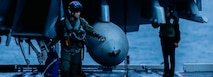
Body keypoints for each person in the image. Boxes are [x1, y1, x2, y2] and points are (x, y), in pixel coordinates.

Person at [49, 1, 106, 77]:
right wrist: (51, 44)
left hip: (77, 50)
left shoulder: (81, 21)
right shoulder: (63, 23)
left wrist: (98, 36)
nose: (78, 13)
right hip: (66, 50)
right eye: (76, 11)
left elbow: (89, 29)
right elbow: (58, 35)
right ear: (71, 11)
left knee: (75, 71)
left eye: (79, 11)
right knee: (65, 70)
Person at [152, 7, 180, 77]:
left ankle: (172, 72)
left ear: (170, 12)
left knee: (172, 57)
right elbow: (155, 25)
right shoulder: (162, 18)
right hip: (164, 39)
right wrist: (153, 20)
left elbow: (177, 31)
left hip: (171, 40)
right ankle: (166, 71)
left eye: (168, 12)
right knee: (165, 57)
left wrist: (176, 41)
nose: (167, 13)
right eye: (166, 11)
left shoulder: (173, 19)